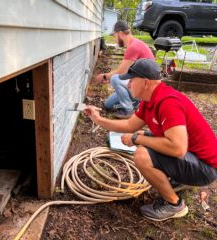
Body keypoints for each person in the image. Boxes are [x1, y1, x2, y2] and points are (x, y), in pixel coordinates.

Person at [85, 58, 217, 221]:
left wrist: (137, 139)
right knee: (145, 137)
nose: (128, 84)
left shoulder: (168, 102)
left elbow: (178, 148)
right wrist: (98, 120)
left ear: (145, 82)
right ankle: (175, 180)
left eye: (132, 80)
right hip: (193, 157)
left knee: (142, 154)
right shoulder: (149, 100)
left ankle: (174, 205)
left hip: (205, 168)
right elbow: (129, 125)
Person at [96, 20, 155, 119]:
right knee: (108, 105)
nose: (115, 39)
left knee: (115, 79)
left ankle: (128, 110)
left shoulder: (133, 47)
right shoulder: (135, 43)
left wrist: (105, 76)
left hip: (147, 86)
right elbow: (127, 71)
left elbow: (121, 72)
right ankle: (134, 102)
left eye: (114, 36)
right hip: (140, 81)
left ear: (120, 34)